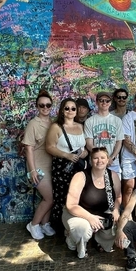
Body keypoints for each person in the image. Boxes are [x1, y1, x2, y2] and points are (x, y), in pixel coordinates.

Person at [64, 146, 121, 260]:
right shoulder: (80, 176)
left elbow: (118, 197)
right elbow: (70, 205)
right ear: (91, 160)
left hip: (102, 214)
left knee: (119, 228)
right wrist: (90, 218)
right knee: (82, 230)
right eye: (95, 158)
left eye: (103, 158)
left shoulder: (113, 176)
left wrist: (116, 210)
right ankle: (73, 239)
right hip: (79, 214)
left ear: (108, 159)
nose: (99, 161)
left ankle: (98, 239)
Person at [47, 98, 89, 235]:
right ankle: (61, 228)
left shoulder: (80, 126)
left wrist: (84, 153)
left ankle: (76, 227)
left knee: (78, 196)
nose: (70, 111)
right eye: (67, 108)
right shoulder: (56, 127)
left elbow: (84, 147)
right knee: (62, 197)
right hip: (62, 166)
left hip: (78, 165)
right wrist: (67, 155)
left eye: (73, 108)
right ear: (62, 110)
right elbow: (49, 147)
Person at [22, 90, 55, 240]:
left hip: (51, 165)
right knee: (50, 197)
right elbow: (28, 148)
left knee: (51, 197)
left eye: (48, 105)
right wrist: (33, 170)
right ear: (37, 106)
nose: (45, 108)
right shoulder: (33, 124)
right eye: (42, 105)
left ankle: (44, 223)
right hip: (38, 166)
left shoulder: (53, 123)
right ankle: (34, 224)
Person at [84, 91, 124, 175]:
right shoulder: (89, 121)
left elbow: (119, 142)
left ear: (110, 102)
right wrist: (101, 159)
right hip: (96, 163)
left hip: (113, 162)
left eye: (107, 101)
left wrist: (111, 158)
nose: (104, 103)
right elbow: (89, 144)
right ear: (97, 102)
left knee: (115, 187)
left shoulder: (117, 121)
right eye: (101, 100)